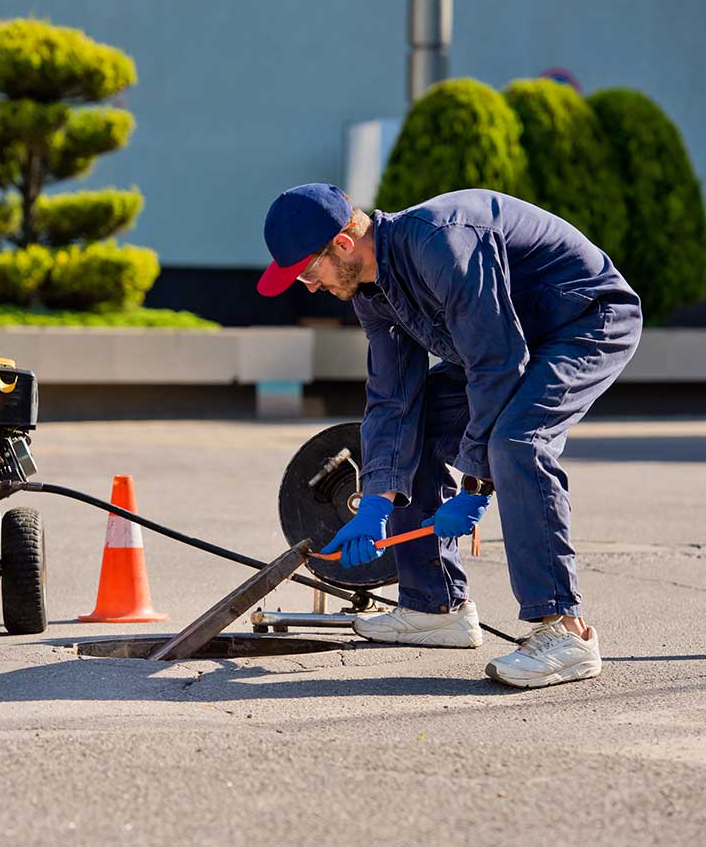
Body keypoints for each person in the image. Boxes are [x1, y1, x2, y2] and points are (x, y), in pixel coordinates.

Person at [258, 184, 642, 688]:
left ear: (344, 245)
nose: (309, 287)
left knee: (517, 440)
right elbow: (394, 399)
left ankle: (566, 632)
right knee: (420, 422)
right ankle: (435, 606)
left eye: (309, 272)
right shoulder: (372, 294)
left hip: (584, 323)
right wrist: (376, 499)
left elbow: (497, 362)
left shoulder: (442, 242)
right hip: (509, 345)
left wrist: (476, 485)